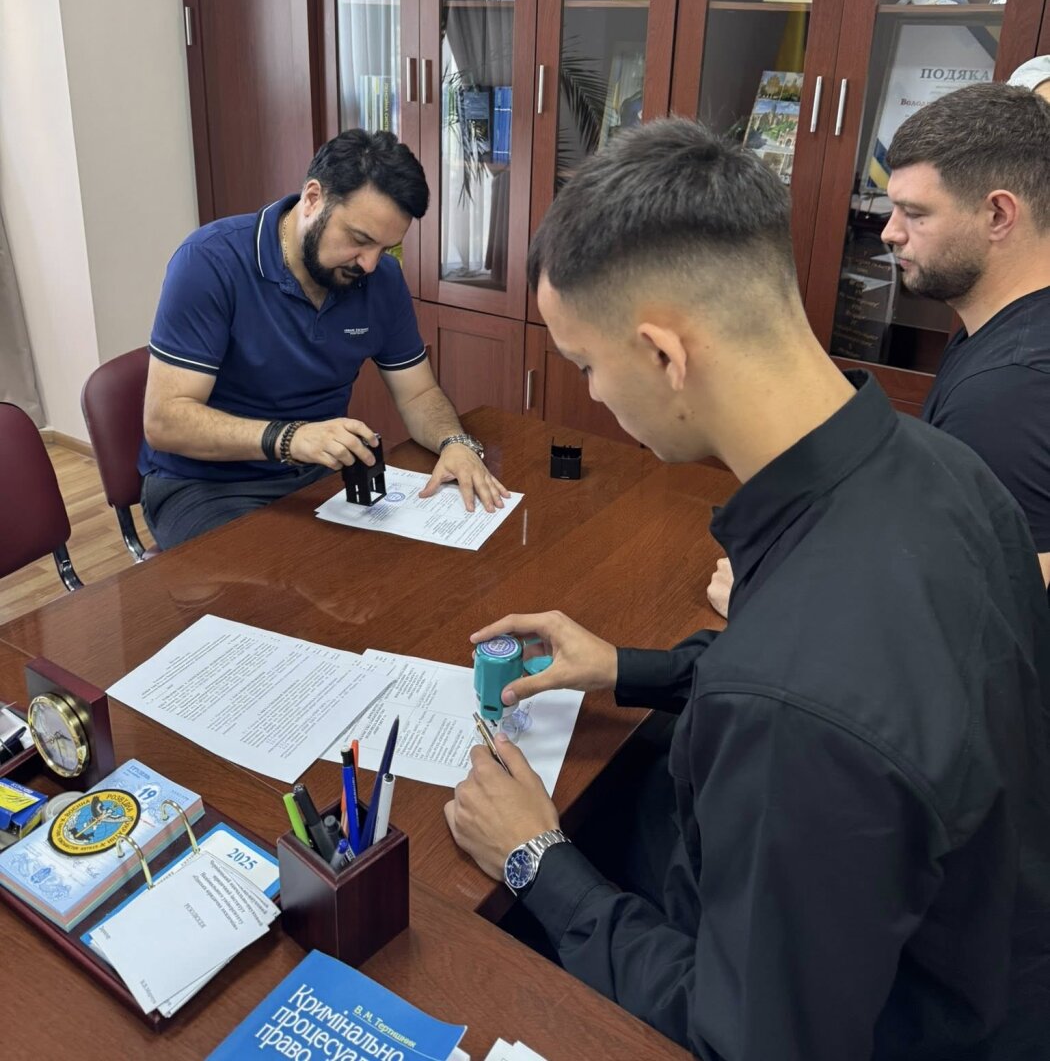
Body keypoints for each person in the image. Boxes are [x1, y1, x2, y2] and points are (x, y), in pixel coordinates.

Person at [444, 119, 1050, 1060]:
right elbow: (871, 683)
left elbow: (750, 1040)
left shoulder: (790, 710)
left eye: (587, 365)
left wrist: (535, 860)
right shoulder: (940, 467)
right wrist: (626, 667)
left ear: (664, 355)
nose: (593, 394)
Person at [709, 77, 1050, 616]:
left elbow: (993, 614)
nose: (890, 233)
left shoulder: (1008, 391)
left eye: (915, 213)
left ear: (998, 215)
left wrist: (774, 605)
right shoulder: (998, 329)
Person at [140, 130, 507, 548]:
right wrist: (291, 438)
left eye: (387, 248)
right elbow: (165, 421)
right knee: (284, 578)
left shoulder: (381, 280)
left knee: (396, 568)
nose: (369, 264)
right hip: (206, 485)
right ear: (313, 198)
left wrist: (454, 442)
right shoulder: (209, 261)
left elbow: (419, 393)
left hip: (315, 477)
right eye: (360, 240)